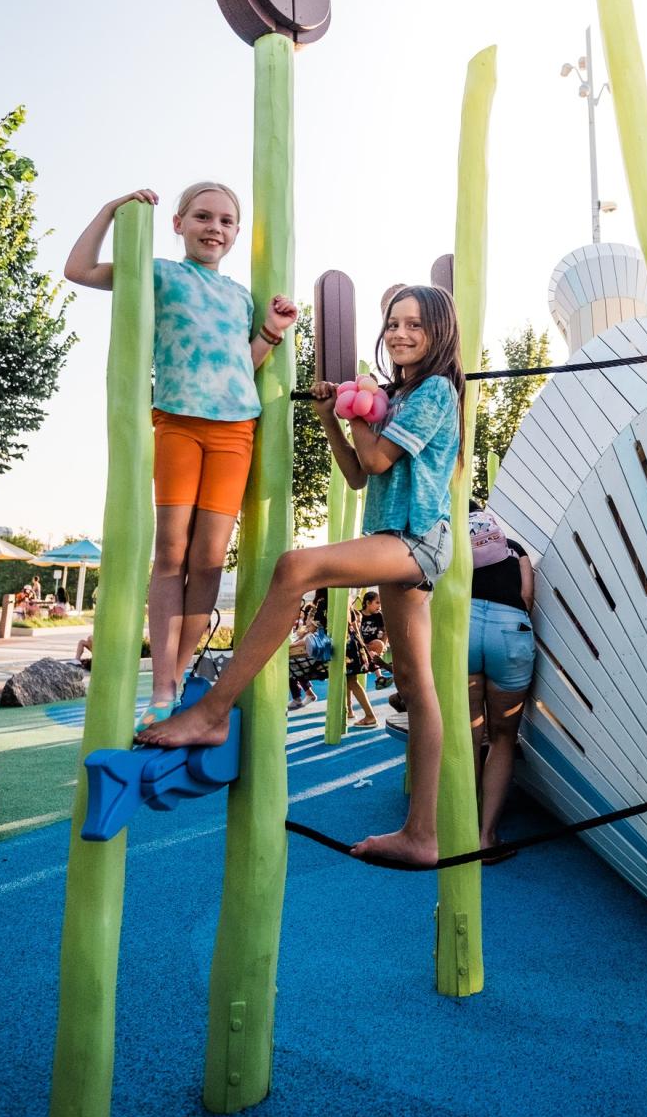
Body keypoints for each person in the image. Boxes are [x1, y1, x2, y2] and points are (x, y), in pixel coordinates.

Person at [138, 285, 464, 867]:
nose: (401, 334)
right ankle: (422, 834)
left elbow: (379, 458)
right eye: (393, 324)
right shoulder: (402, 394)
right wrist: (332, 416)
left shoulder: (436, 390)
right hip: (393, 539)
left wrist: (360, 407)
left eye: (415, 325)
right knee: (415, 687)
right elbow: (359, 476)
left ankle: (212, 711)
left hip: (415, 540)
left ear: (440, 333)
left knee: (296, 567)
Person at [65, 183, 297, 730]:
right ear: (178, 223)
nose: (213, 227)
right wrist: (108, 209)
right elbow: (78, 271)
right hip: (176, 423)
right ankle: (163, 683)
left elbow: (243, 363)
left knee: (209, 559)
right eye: (202, 216)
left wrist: (270, 332)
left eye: (225, 220)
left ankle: (180, 666)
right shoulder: (162, 274)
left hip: (236, 430)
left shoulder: (241, 295)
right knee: (171, 550)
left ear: (236, 233)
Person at [467, 501, 535, 859]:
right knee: (503, 735)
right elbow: (527, 597)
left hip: (464, 625)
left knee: (469, 732)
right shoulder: (515, 548)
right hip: (510, 629)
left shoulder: (448, 542)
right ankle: (487, 837)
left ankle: (461, 828)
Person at [344, 605, 378, 727]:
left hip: (346, 646)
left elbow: (316, 625)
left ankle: (369, 715)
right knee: (350, 679)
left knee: (351, 680)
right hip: (353, 644)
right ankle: (349, 710)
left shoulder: (325, 603)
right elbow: (356, 629)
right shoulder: (349, 607)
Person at [359, 589, 392, 687]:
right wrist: (363, 645)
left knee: (376, 648)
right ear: (368, 603)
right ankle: (379, 678)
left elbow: (386, 631)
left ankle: (379, 677)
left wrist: (384, 645)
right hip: (361, 645)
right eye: (377, 603)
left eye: (380, 603)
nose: (379, 606)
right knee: (373, 653)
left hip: (373, 645)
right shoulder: (358, 615)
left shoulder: (378, 616)